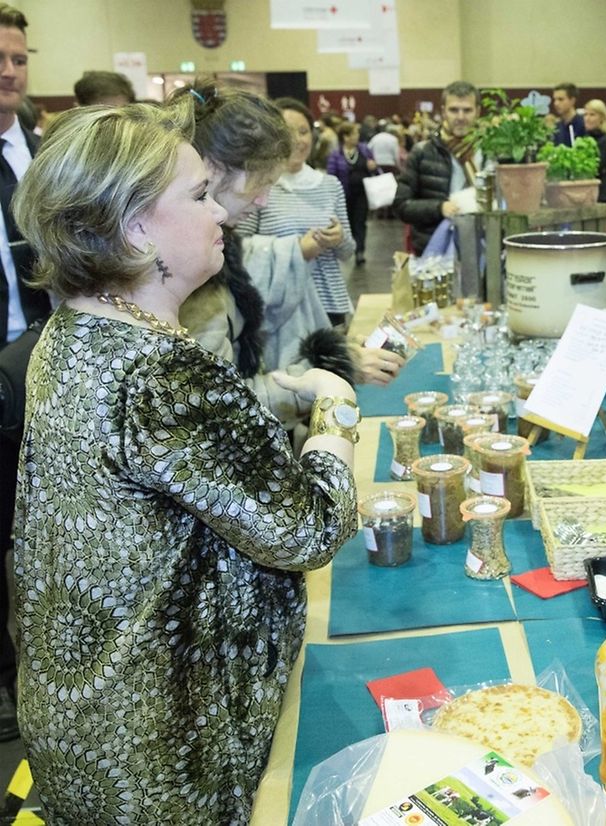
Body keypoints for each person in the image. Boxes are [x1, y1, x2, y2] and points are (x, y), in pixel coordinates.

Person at [11, 101, 358, 823]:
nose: (222, 215)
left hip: (93, 716)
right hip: (163, 736)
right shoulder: (159, 372)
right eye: (199, 197)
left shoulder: (73, 332)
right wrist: (335, 419)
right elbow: (308, 528)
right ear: (135, 226)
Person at [171, 82, 400, 432]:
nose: (263, 199)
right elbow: (219, 409)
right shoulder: (189, 270)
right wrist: (330, 369)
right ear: (214, 169)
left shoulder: (207, 251)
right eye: (260, 182)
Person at [0, 2, 43, 745]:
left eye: (18, 60)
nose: (8, 72)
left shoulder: (41, 148)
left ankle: (34, 679)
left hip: (42, 351)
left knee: (36, 531)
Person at [237, 98, 355, 327]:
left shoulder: (330, 185)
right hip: (281, 309)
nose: (297, 140)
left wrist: (339, 239)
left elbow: (348, 251)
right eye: (287, 132)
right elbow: (241, 249)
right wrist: (297, 250)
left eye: (303, 131)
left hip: (329, 304)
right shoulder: (259, 185)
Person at [393, 80, 480, 254]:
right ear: (443, 111)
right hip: (434, 250)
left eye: (467, 110)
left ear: (478, 111)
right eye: (454, 110)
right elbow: (401, 206)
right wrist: (439, 208)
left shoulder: (491, 151)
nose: (461, 117)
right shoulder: (422, 152)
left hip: (482, 245)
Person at [327, 120, 377, 264]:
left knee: (360, 222)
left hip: (362, 193)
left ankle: (360, 251)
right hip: (344, 195)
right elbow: (331, 175)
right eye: (354, 134)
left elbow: (375, 166)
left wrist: (372, 166)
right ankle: (351, 247)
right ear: (345, 137)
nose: (357, 136)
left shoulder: (364, 150)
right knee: (348, 222)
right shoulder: (336, 155)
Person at [582, 98, 606, 204]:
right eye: (585, 115)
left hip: (602, 197)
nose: (587, 118)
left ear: (602, 118)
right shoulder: (584, 139)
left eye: (592, 115)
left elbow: (596, 168)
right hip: (587, 196)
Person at [551, 81, 586, 147]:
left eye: (560, 99)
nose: (556, 103)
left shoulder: (583, 125)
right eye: (555, 99)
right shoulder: (557, 127)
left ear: (572, 100)